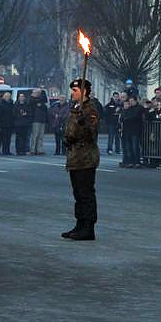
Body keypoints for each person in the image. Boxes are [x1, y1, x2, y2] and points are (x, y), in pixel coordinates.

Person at [61, 79, 100, 241]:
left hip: (86, 157)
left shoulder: (90, 110)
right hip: (74, 157)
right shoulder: (76, 108)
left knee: (86, 194)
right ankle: (79, 223)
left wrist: (84, 124)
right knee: (77, 193)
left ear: (84, 92)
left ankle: (88, 227)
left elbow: (91, 133)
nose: (73, 93)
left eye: (75, 90)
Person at [30, 89, 48, 155]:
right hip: (35, 120)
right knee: (35, 135)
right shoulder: (31, 99)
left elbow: (44, 107)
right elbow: (31, 103)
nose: (38, 94)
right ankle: (33, 149)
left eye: (39, 93)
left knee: (41, 136)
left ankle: (39, 149)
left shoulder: (41, 100)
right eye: (36, 92)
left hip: (42, 119)